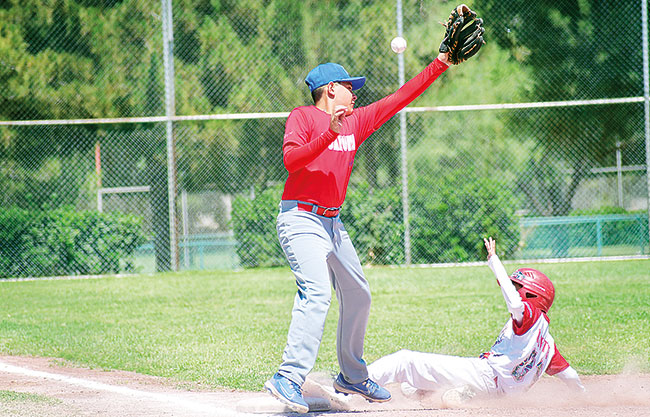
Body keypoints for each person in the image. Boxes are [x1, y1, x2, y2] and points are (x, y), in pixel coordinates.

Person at [263, 38, 458, 414]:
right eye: (349, 87)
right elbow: (291, 161)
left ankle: (352, 375)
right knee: (317, 293)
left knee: (358, 294)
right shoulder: (303, 117)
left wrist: (441, 63)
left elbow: (399, 98)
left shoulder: (356, 122)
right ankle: (288, 377)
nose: (355, 94)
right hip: (301, 217)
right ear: (330, 89)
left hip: (333, 223)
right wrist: (329, 133)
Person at [365, 237, 585, 406]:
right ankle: (458, 394)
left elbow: (515, 304)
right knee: (411, 388)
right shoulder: (547, 345)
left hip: (485, 376)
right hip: (496, 395)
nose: (513, 289)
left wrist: (494, 261)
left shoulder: (529, 315)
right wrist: (584, 397)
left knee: (404, 361)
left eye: (518, 287)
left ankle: (354, 383)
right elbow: (570, 375)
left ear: (532, 295)